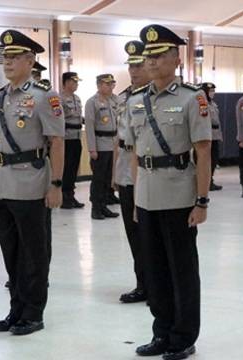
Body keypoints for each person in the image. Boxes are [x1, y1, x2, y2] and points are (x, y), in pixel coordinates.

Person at [129, 24, 211, 360]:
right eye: (148, 55)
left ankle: (183, 336)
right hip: (147, 195)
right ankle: (161, 332)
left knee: (182, 270)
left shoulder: (192, 98)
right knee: (155, 269)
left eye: (159, 55)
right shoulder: (136, 101)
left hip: (179, 195)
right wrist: (135, 198)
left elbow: (203, 152)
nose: (151, 61)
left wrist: (202, 200)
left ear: (177, 59)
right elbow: (135, 153)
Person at [0, 30, 64, 336]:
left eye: (14, 57)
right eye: (5, 57)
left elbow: (57, 141)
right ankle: (15, 308)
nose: (7, 62)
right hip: (1, 183)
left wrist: (56, 183)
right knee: (11, 252)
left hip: (31, 182)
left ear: (30, 60)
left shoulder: (45, 96)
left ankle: (33, 312)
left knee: (34, 252)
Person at [116, 40, 150, 304]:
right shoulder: (123, 97)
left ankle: (156, 285)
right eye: (130, 66)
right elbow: (122, 139)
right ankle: (142, 283)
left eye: (138, 65)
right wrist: (117, 175)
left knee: (150, 233)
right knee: (133, 232)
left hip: (150, 171)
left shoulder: (156, 96)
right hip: (127, 167)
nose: (134, 71)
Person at [84, 74, 120, 220]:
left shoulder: (114, 100)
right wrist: (92, 149)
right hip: (100, 145)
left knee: (108, 178)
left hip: (113, 144)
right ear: (99, 85)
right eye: (107, 84)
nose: (111, 86)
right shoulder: (92, 102)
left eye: (112, 84)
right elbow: (89, 127)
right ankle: (96, 208)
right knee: (98, 178)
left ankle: (104, 205)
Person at [60, 71, 85, 209]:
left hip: (76, 137)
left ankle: (71, 194)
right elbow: (58, 119)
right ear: (67, 82)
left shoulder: (77, 98)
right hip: (66, 138)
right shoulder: (59, 98)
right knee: (66, 168)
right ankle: (64, 196)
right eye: (74, 82)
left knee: (74, 168)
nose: (76, 84)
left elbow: (77, 117)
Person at [201, 82, 223, 191]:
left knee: (214, 160)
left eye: (214, 91)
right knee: (206, 160)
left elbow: (217, 122)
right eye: (210, 91)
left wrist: (220, 136)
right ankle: (205, 181)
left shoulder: (213, 104)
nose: (213, 93)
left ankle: (210, 180)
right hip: (207, 136)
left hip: (215, 135)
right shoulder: (201, 104)